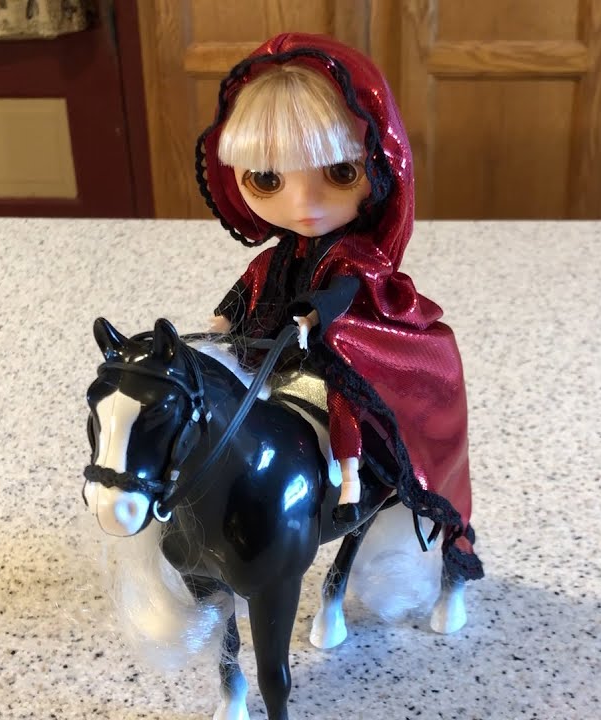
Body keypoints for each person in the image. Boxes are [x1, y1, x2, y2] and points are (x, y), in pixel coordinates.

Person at [197, 33, 482, 582]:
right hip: (274, 348)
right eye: (267, 180)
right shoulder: (275, 258)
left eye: (340, 173)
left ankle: (350, 476)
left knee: (343, 388)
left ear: (381, 168)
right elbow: (247, 286)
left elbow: (342, 293)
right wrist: (222, 321)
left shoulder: (354, 258)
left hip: (335, 344)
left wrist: (313, 317)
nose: (303, 204)